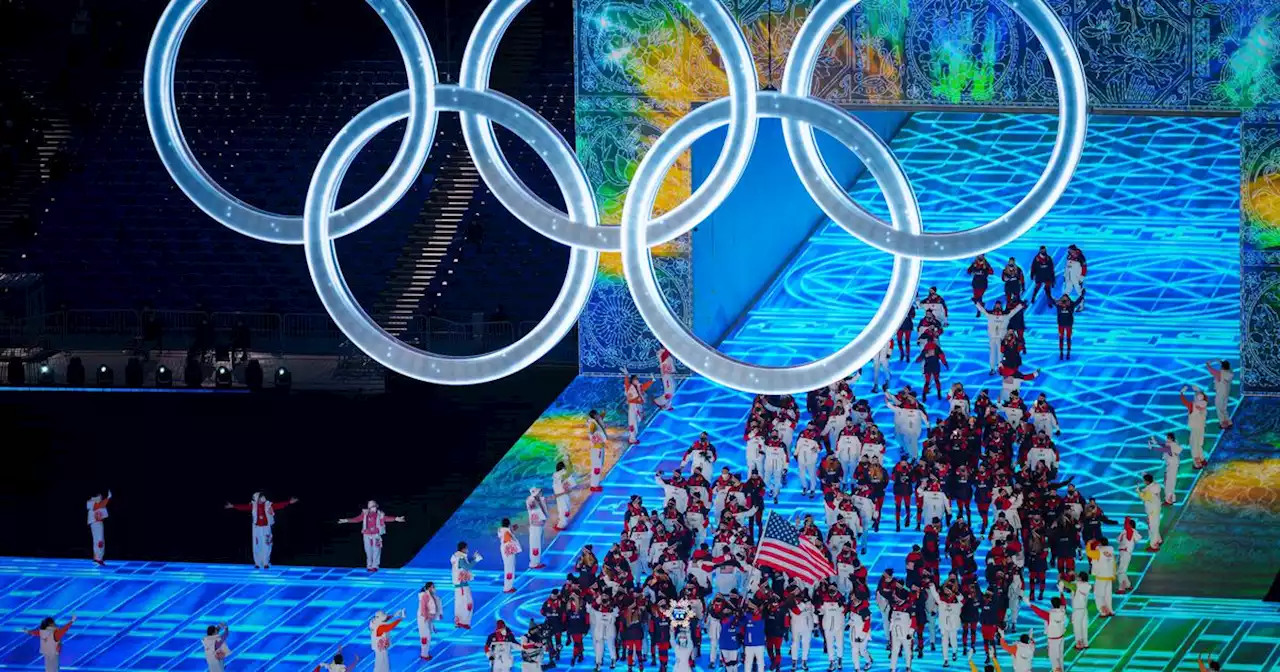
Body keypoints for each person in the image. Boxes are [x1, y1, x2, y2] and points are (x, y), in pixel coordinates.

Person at [225, 492, 298, 569]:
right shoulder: (253, 506)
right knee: (257, 545)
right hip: (257, 528)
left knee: (267, 544)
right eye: (261, 496)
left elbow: (278, 505)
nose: (263, 497)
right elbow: (244, 507)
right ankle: (258, 563)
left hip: (266, 528)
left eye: (263, 496)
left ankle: (266, 562)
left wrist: (289, 502)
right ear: (257, 499)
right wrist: (233, 506)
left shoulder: (269, 505)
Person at [337, 501, 406, 572]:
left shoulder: (380, 514)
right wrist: (346, 520)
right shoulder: (365, 514)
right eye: (371, 507)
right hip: (366, 535)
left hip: (376, 535)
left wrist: (396, 518)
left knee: (376, 550)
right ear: (368, 508)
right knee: (368, 550)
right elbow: (356, 519)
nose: (373, 508)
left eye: (374, 506)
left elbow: (386, 518)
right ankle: (369, 566)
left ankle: (375, 566)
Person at [975, 299, 1024, 374]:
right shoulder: (990, 316)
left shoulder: (1005, 317)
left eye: (999, 306)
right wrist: (976, 303)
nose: (997, 307)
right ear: (994, 306)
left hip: (1001, 339)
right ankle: (992, 368)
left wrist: (1021, 305)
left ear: (1001, 307)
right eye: (996, 305)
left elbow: (1014, 312)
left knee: (1000, 354)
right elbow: (982, 310)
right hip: (992, 338)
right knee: (992, 353)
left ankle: (1000, 368)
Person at [1028, 596, 1067, 672]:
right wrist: (1061, 593)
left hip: (1053, 640)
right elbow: (1064, 603)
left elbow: (1039, 612)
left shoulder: (1050, 615)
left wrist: (1029, 604)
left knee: (1053, 658)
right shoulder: (1062, 611)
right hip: (1061, 638)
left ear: (1052, 604)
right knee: (1060, 657)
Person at [451, 542, 483, 628]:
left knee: (459, 604)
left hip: (459, 585)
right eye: (467, 548)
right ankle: (464, 622)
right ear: (463, 549)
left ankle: (459, 621)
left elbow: (464, 565)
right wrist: (477, 559)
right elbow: (467, 567)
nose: (468, 550)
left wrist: (473, 558)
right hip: (462, 585)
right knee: (467, 603)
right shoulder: (460, 557)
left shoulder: (456, 556)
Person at [1047, 288, 1085, 360]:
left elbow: (1077, 301)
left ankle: (1067, 352)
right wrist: (1047, 293)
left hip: (1067, 324)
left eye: (1065, 299)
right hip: (1063, 324)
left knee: (1067, 338)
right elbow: (1052, 300)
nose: (1064, 302)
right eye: (1063, 299)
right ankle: (1062, 352)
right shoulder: (1060, 305)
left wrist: (1082, 295)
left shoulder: (1070, 305)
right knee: (1062, 338)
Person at [1179, 386, 1210, 469]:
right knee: (1199, 445)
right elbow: (1205, 397)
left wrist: (1181, 393)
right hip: (1201, 427)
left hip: (1195, 428)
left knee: (1194, 446)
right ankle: (1203, 460)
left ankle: (1198, 464)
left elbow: (1184, 401)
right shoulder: (1204, 403)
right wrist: (1198, 390)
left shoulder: (1192, 406)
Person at [1147, 434, 1182, 505]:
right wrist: (1156, 442)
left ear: (1171, 439)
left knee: (1169, 484)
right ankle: (1171, 499)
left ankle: (1169, 500)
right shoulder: (1173, 445)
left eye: (1168, 438)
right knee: (1168, 483)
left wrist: (1153, 448)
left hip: (1172, 468)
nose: (1166, 440)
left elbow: (1164, 449)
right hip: (1171, 467)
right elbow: (1164, 446)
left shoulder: (1171, 446)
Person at [1084, 539, 1116, 617]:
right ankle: (1110, 610)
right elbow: (1114, 562)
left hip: (1101, 577)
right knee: (1108, 595)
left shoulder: (1099, 552)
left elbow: (1088, 553)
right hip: (1109, 576)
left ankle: (1103, 612)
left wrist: (1088, 544)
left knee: (1098, 595)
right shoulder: (1111, 550)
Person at [1062, 571, 1091, 650]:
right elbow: (1077, 581)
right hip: (1084, 610)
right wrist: (1075, 573)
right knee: (1084, 627)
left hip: (1077, 610)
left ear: (1080, 578)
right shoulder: (1088, 585)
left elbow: (1068, 585)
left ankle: (1079, 644)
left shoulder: (1076, 585)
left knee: (1077, 628)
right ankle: (1085, 643)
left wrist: (1061, 580)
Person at [624, 374, 654, 445]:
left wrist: (652, 381)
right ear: (632, 381)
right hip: (632, 406)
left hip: (639, 406)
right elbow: (626, 383)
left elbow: (645, 386)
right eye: (635, 379)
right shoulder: (629, 387)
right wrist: (626, 375)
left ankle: (633, 436)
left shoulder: (639, 386)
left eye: (637, 379)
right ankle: (632, 438)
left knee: (637, 421)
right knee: (632, 422)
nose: (636, 380)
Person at [1115, 518, 1142, 594]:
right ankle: (1127, 585)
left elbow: (1118, 540)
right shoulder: (1128, 531)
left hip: (1125, 552)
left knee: (1121, 571)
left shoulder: (1130, 531)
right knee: (1122, 570)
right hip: (1123, 553)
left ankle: (1121, 588)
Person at [1137, 474, 1163, 550]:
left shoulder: (1148, 490)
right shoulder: (1157, 485)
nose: (1144, 482)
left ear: (1147, 481)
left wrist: (1138, 491)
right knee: (1155, 525)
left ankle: (1154, 545)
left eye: (1144, 480)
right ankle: (1159, 540)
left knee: (1152, 528)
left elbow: (1143, 497)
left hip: (1151, 511)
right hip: (1157, 508)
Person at [1205, 360, 1234, 429]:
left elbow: (1211, 370)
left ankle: (1223, 423)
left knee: (1219, 408)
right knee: (1224, 408)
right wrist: (1220, 362)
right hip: (1226, 392)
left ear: (1222, 367)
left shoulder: (1220, 373)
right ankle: (1229, 422)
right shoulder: (1230, 373)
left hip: (1220, 392)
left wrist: (1207, 364)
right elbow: (1227, 368)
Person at [418, 582, 443, 661]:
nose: (434, 588)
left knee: (428, 636)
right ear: (429, 588)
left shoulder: (433, 596)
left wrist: (437, 617)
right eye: (433, 587)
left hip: (428, 619)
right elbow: (423, 608)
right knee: (425, 636)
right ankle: (424, 654)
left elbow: (434, 607)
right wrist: (426, 617)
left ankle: (425, 653)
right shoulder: (425, 596)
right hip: (423, 618)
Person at [525, 487, 549, 568]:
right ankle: (534, 563)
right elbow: (531, 505)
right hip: (535, 527)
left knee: (539, 544)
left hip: (540, 526)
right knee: (535, 544)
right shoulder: (530, 500)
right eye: (539, 492)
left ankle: (537, 561)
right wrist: (534, 500)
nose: (540, 493)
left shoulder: (540, 499)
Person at [86, 490, 111, 565]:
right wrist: (108, 498)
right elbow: (98, 506)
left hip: (99, 524)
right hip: (94, 524)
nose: (101, 498)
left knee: (98, 541)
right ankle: (99, 558)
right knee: (99, 541)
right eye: (99, 496)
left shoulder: (101, 505)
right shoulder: (90, 502)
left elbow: (103, 515)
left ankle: (96, 557)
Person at [499, 518, 523, 593]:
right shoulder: (506, 531)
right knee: (510, 567)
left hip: (504, 549)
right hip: (508, 549)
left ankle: (508, 586)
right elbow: (508, 537)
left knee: (509, 566)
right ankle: (508, 587)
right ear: (508, 524)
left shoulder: (501, 529)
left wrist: (513, 529)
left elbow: (509, 531)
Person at [587, 410, 609, 491]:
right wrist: (594, 439)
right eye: (597, 414)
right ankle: (594, 486)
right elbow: (590, 433)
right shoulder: (592, 424)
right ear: (594, 415)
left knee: (599, 465)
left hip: (600, 447)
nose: (598, 415)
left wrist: (602, 414)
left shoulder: (596, 421)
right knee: (597, 467)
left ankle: (595, 484)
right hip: (597, 449)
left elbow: (600, 419)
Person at [553, 461, 577, 530]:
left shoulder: (556, 475)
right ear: (563, 468)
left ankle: (561, 523)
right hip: (562, 494)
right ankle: (561, 525)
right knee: (565, 509)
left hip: (560, 494)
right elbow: (569, 473)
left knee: (563, 509)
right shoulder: (562, 474)